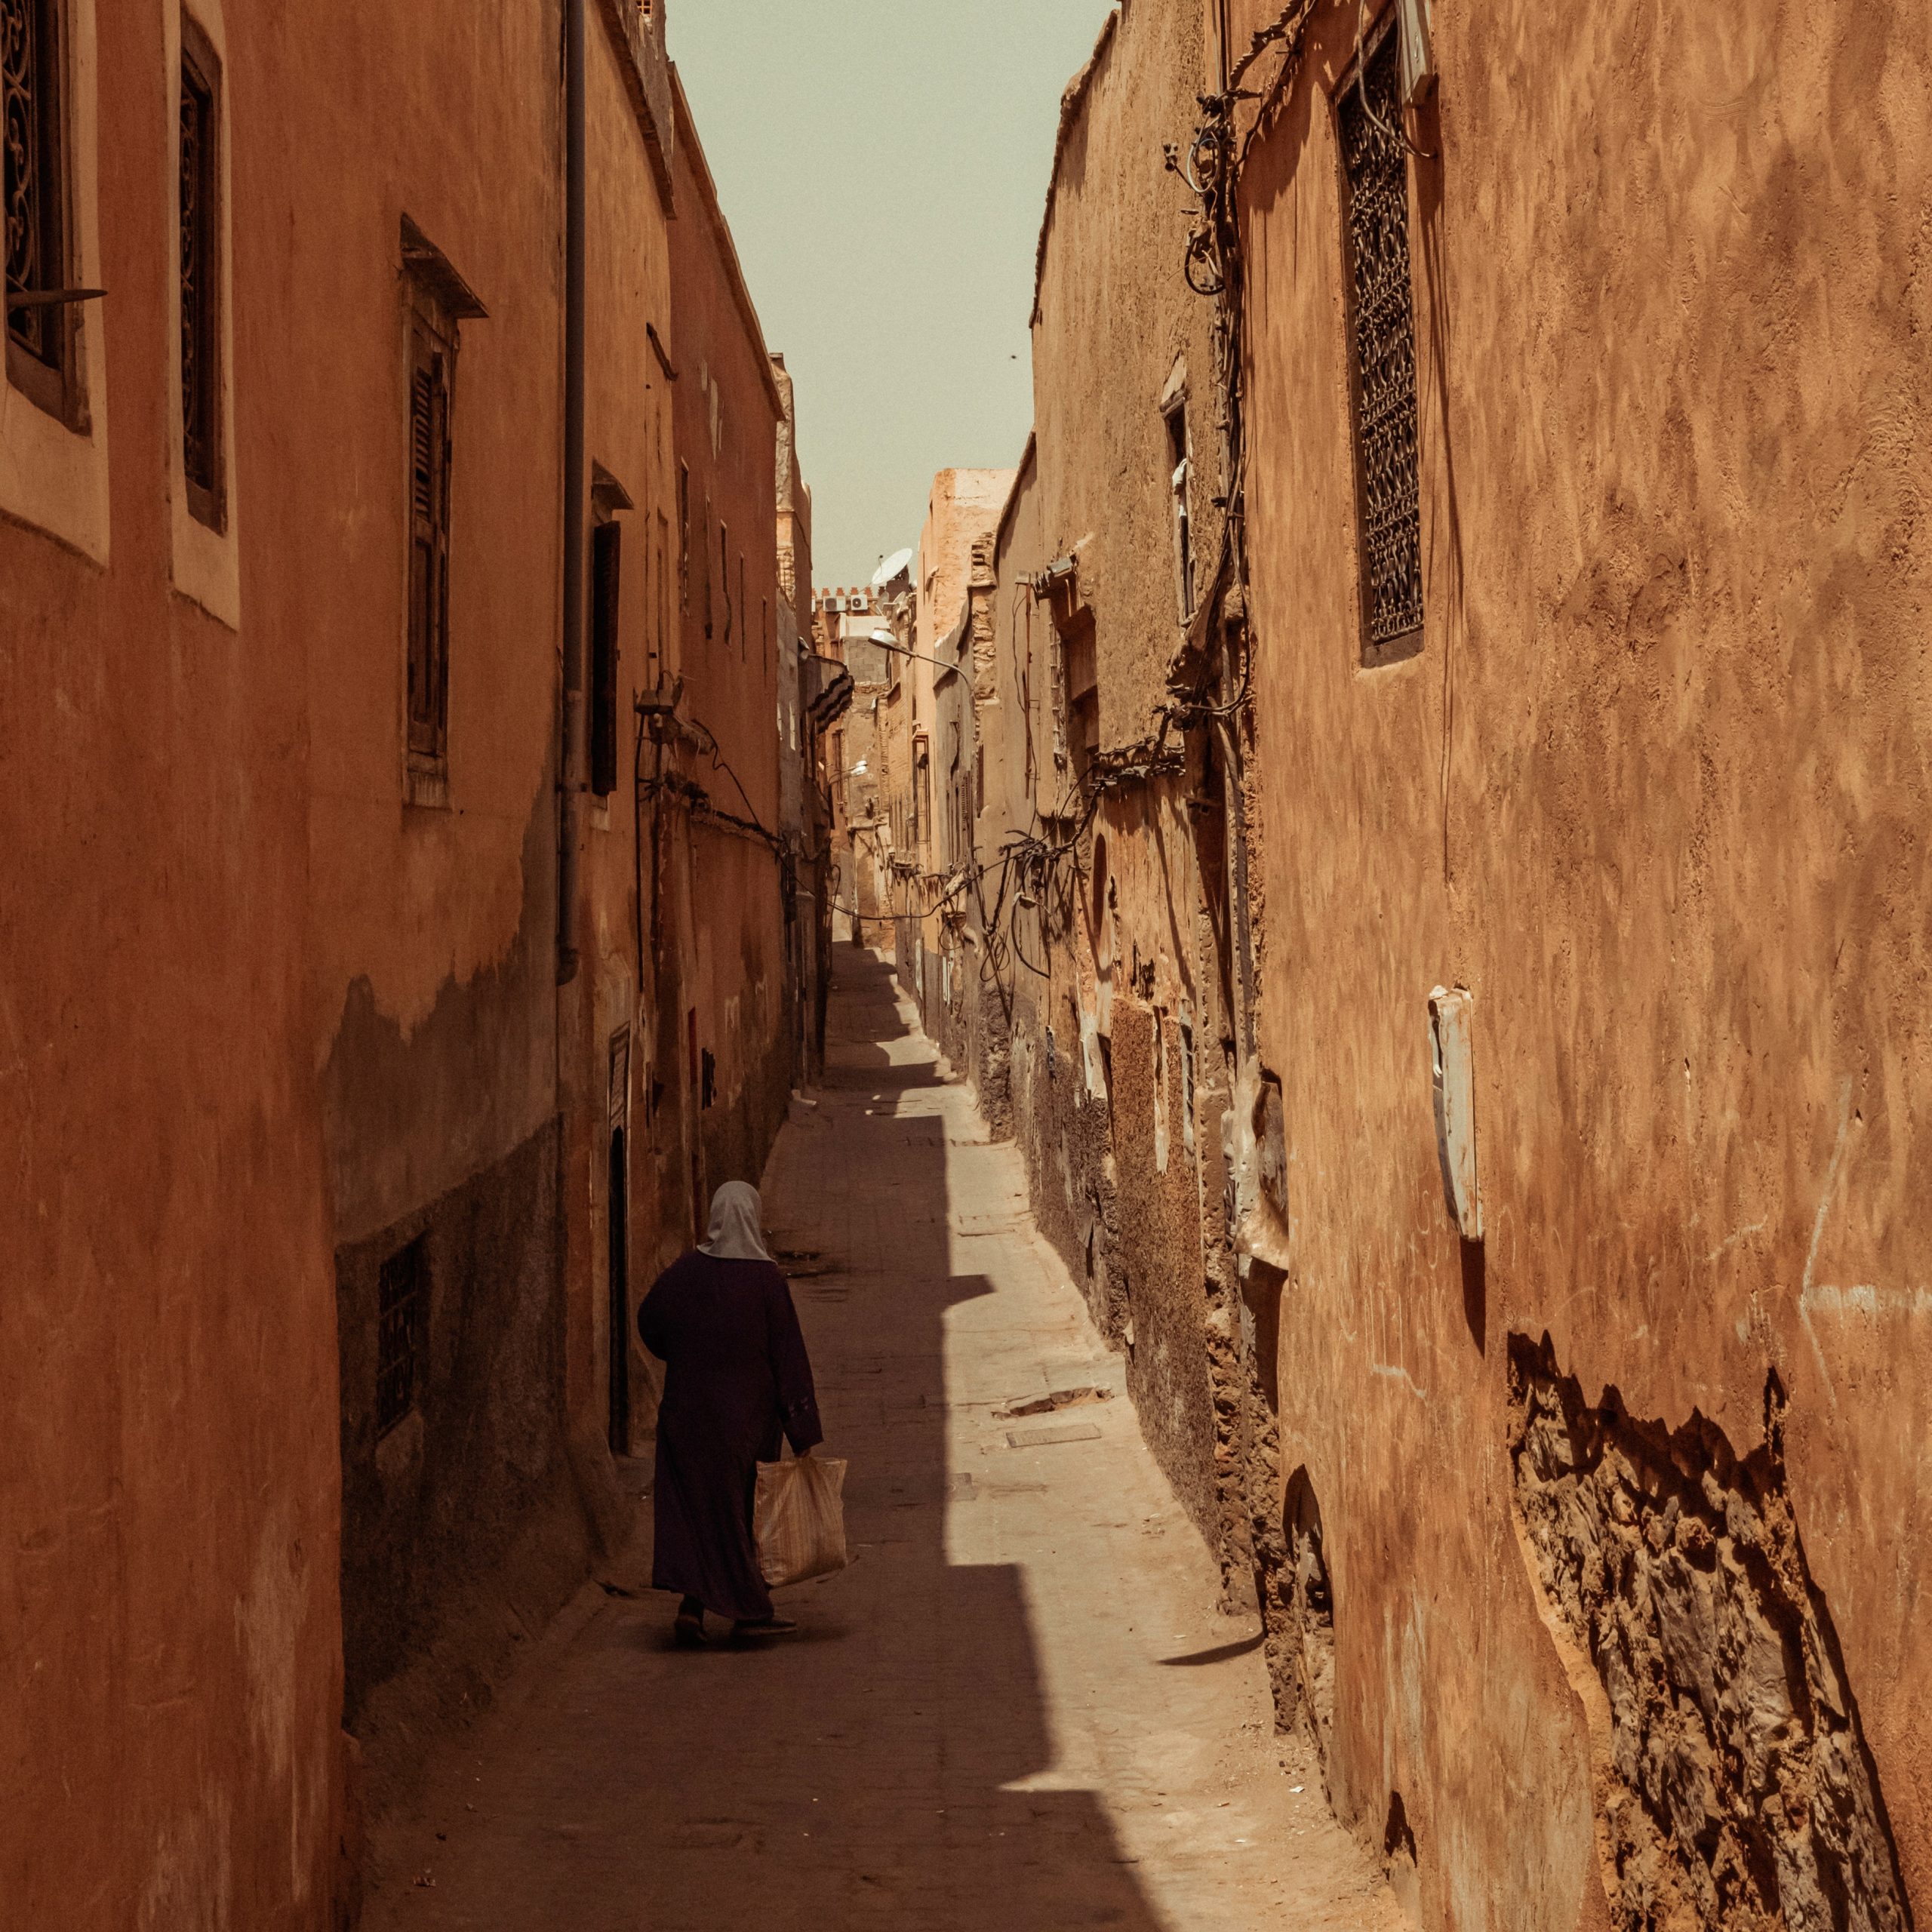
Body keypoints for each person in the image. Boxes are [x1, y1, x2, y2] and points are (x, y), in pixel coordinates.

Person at [638, 1180, 823, 1646]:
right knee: (740, 1513)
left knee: (696, 1510)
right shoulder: (766, 1282)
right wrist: (802, 1429)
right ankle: (749, 1611)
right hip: (745, 1425)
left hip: (686, 1419)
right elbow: (788, 1358)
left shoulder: (685, 1272)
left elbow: (649, 1321)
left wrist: (680, 1352)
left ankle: (691, 1609)